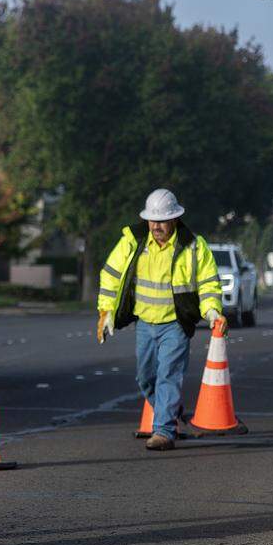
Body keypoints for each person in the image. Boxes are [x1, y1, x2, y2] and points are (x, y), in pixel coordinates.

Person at [96, 189, 225, 451]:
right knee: (145, 378)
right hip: (144, 323)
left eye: (162, 220)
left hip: (175, 324)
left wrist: (211, 310)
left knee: (168, 375)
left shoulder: (193, 246)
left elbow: (209, 283)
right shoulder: (133, 241)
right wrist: (106, 311)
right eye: (152, 220)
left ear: (174, 219)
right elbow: (111, 275)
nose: (156, 226)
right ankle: (171, 409)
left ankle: (164, 430)